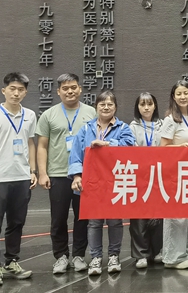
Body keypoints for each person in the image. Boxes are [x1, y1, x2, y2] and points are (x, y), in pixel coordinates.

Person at [0, 72, 38, 287]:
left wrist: (32, 170)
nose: (16, 93)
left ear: (25, 93)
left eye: (21, 90)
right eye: (12, 89)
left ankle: (11, 261)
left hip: (22, 177)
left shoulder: (30, 115)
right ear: (4, 90)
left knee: (17, 223)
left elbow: (30, 143)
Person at [35, 73, 97, 275]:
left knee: (82, 217)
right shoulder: (49, 115)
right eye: (65, 88)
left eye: (73, 87)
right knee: (58, 218)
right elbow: (42, 146)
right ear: (58, 91)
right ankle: (61, 256)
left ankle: (79, 255)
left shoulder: (91, 112)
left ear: (80, 89)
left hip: (84, 174)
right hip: (58, 174)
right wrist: (42, 173)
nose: (70, 91)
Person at [69, 90, 135, 276]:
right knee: (94, 222)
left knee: (115, 221)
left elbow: (130, 147)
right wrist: (77, 176)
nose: (106, 107)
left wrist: (108, 144)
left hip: (116, 181)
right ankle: (96, 257)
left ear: (115, 107)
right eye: (102, 104)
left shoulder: (123, 128)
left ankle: (114, 256)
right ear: (96, 107)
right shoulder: (86, 129)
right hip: (92, 182)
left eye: (110, 104)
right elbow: (76, 154)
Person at [159, 80, 188, 270]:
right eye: (179, 94)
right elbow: (163, 147)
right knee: (177, 216)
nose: (183, 97)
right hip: (176, 173)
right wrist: (180, 148)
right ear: (173, 97)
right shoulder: (170, 120)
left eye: (186, 93)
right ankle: (173, 257)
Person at [128, 92, 164, 269]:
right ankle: (141, 254)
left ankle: (157, 251)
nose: (146, 108)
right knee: (139, 217)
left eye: (150, 104)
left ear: (155, 105)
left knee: (159, 215)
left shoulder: (163, 125)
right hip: (140, 176)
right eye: (142, 104)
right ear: (138, 107)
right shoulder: (132, 127)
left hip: (160, 175)